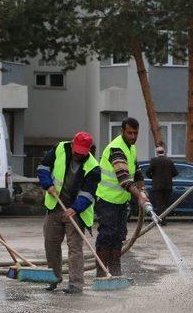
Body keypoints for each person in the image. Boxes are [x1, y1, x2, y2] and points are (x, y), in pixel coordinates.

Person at [38, 132, 100, 294]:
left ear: (89, 150)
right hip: (55, 205)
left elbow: (88, 193)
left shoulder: (93, 167)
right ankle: (53, 278)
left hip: (76, 211)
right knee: (51, 243)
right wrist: (47, 184)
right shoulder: (59, 149)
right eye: (77, 151)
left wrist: (75, 208)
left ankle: (76, 284)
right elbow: (43, 167)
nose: (78, 155)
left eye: (82, 153)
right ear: (72, 145)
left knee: (75, 248)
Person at [95, 117, 151, 276]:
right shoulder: (117, 148)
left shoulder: (131, 148)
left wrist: (142, 189)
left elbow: (137, 172)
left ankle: (115, 272)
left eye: (136, 133)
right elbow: (124, 178)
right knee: (107, 235)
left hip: (120, 201)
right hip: (107, 200)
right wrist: (139, 196)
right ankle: (101, 273)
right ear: (122, 131)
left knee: (119, 236)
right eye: (130, 133)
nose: (133, 136)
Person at [146, 146, 178, 224]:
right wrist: (169, 177)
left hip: (157, 186)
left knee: (159, 203)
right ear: (164, 152)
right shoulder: (169, 161)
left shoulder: (154, 160)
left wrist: (153, 177)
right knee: (165, 203)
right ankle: (164, 219)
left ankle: (161, 220)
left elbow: (147, 172)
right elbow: (175, 172)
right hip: (168, 186)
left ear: (157, 153)